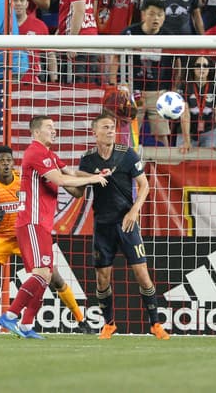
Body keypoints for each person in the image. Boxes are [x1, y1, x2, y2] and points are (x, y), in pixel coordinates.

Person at [0, 145, 89, 335]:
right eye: (1, 161)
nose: (6, 164)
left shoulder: (23, 180)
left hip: (25, 235)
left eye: (9, 160)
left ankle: (81, 320)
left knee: (54, 277)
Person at [0, 115, 108, 338]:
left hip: (42, 225)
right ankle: (10, 315)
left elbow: (73, 174)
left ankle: (26, 325)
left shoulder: (50, 155)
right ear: (36, 133)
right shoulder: (35, 153)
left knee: (45, 276)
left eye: (54, 128)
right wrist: (93, 181)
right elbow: (64, 181)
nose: (54, 131)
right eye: (49, 128)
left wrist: (97, 174)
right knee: (41, 273)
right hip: (32, 222)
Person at [68, 114, 168, 340]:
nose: (111, 130)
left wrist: (134, 211)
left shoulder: (127, 154)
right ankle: (109, 324)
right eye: (106, 127)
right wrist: (60, 180)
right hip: (102, 226)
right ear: (95, 133)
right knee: (102, 279)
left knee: (142, 274)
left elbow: (144, 186)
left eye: (113, 127)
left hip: (127, 223)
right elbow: (77, 191)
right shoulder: (88, 160)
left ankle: (156, 324)